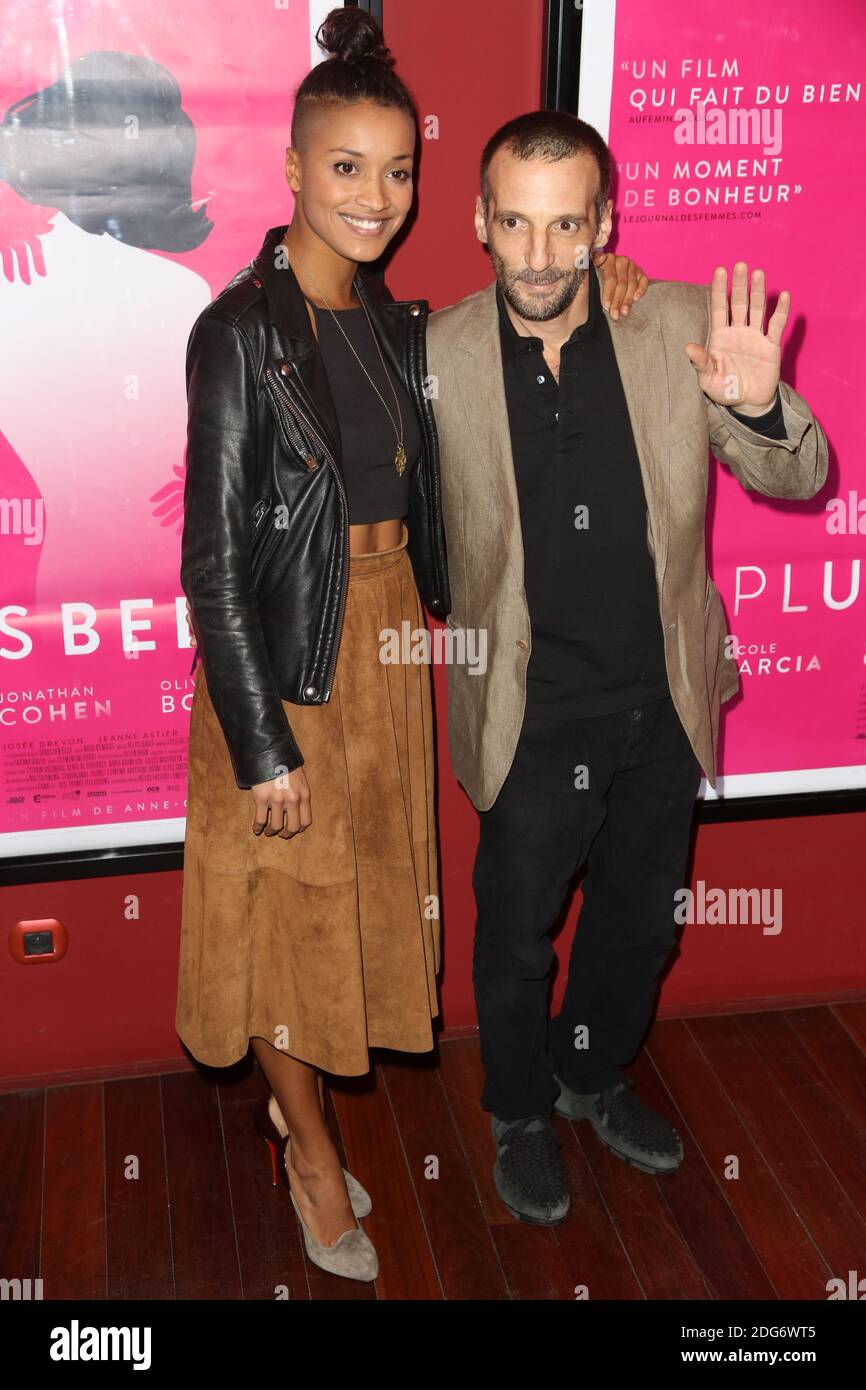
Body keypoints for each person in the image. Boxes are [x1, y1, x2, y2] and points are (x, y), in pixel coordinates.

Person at [177, 13, 646, 1282]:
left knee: (353, 921)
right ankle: (312, 1159)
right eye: (344, 167)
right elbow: (212, 566)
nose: (375, 198)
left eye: (396, 172)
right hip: (282, 668)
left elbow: (519, 335)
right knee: (288, 928)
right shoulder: (236, 334)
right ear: (289, 167)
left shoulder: (400, 332)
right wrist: (264, 744)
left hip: (386, 654)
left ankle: (301, 1111)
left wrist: (612, 286)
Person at [425, 109, 829, 1226]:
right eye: (517, 224)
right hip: (528, 709)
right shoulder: (432, 352)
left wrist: (756, 403)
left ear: (604, 221)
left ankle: (586, 1076)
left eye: (567, 225)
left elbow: (797, 477)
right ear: (480, 222)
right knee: (512, 933)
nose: (543, 257)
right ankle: (516, 1108)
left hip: (659, 703)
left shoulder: (678, 322)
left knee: (637, 924)